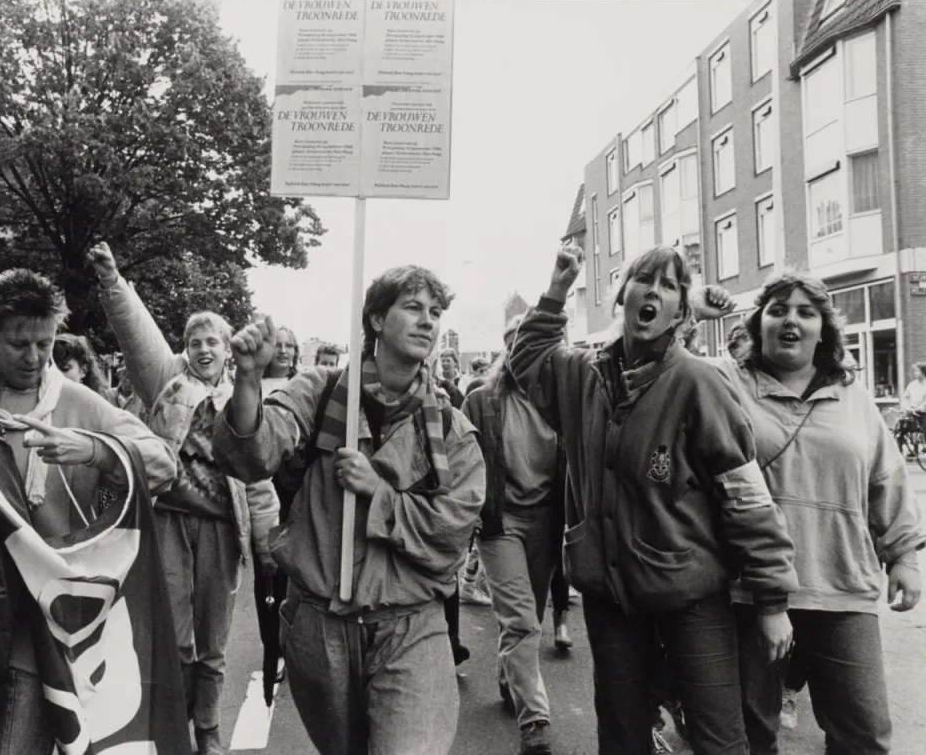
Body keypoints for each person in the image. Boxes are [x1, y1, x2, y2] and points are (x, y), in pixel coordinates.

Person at [509, 245, 798, 755]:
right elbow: (528, 357)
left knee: (717, 735)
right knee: (622, 732)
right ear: (623, 296)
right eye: (644, 279)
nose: (653, 291)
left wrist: (772, 600)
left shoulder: (699, 382)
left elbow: (746, 498)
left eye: (668, 285)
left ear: (681, 312)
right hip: (611, 596)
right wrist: (556, 290)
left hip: (691, 596)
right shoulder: (582, 377)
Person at [212, 265, 486, 755]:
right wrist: (248, 381)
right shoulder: (318, 391)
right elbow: (252, 456)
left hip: (412, 627)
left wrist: (379, 494)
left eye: (436, 312)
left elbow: (451, 533)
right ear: (377, 319)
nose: (428, 321)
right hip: (319, 628)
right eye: (413, 307)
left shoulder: (452, 428)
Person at [0, 268, 177, 754]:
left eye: (45, 343)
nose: (33, 357)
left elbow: (163, 465)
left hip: (40, 627)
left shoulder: (80, 404)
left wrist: (94, 449)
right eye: (18, 343)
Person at [718, 270, 925, 755]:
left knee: (863, 734)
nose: (791, 320)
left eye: (806, 312)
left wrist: (905, 557)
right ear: (758, 324)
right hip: (749, 592)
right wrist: (694, 306)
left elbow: (886, 478)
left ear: (823, 330)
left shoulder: (855, 398)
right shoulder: (727, 384)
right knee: (751, 735)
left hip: (842, 587)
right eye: (778, 310)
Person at [88, 243, 279, 755]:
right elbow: (137, 332)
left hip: (221, 529)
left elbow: (257, 473)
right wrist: (112, 278)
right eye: (194, 342)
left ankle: (208, 732)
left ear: (225, 348)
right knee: (174, 642)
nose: (203, 349)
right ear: (184, 349)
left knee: (213, 645)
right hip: (169, 522)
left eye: (212, 341)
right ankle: (173, 731)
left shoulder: (244, 395)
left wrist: (267, 544)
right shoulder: (165, 384)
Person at [462, 315, 568, 755]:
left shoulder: (564, 402)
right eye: (519, 346)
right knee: (521, 620)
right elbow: (463, 463)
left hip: (547, 520)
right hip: (500, 521)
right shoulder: (481, 401)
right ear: (508, 353)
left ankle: (511, 677)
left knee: (531, 619)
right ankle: (535, 721)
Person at [262, 324, 300, 393]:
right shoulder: (255, 385)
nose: (283, 351)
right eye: (277, 345)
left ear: (295, 352)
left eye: (288, 346)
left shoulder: (302, 384)